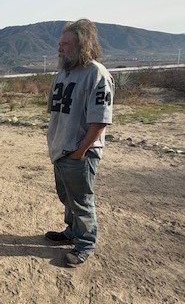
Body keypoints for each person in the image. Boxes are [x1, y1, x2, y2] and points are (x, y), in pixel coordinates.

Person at [45, 19, 114, 266]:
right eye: (59, 43)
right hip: (61, 149)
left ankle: (85, 244)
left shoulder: (96, 73)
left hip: (79, 152)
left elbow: (100, 121)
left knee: (82, 200)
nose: (59, 49)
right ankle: (71, 232)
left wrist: (80, 151)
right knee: (67, 197)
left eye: (65, 44)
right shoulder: (63, 73)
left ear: (81, 45)